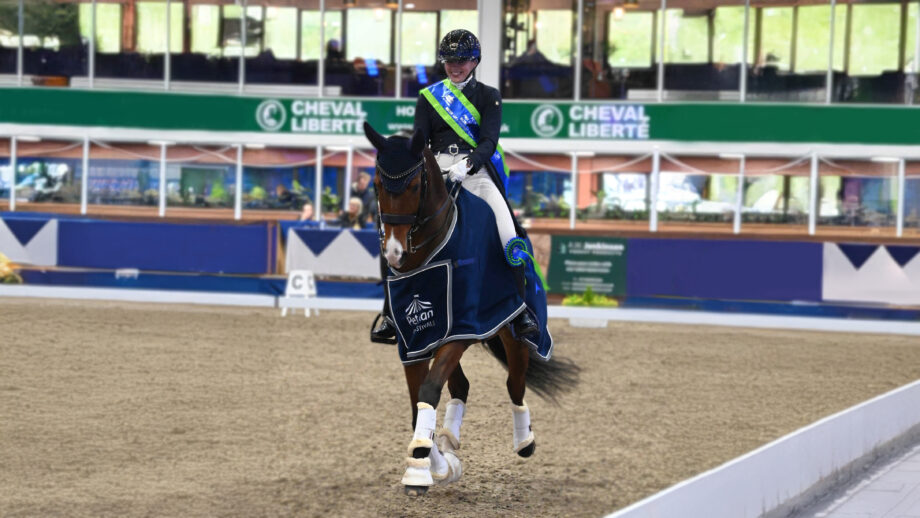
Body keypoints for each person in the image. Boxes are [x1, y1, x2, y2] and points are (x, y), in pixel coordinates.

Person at [371, 28, 538, 344]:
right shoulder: (428, 97)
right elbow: (420, 141)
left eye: (461, 60)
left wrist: (469, 164)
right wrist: (433, 167)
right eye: (449, 60)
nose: (454, 66)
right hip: (436, 172)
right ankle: (390, 314)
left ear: (474, 61)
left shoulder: (490, 96)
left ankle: (521, 310)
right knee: (394, 234)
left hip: (476, 172)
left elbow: (489, 140)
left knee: (509, 234)